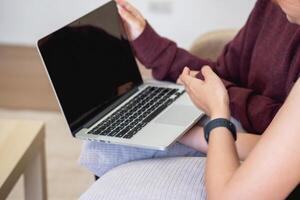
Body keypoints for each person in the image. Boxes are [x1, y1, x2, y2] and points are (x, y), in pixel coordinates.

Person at [79, 0, 300, 191]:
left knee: (108, 148)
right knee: (102, 140)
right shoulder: (272, 9)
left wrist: (216, 110)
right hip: (229, 120)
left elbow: (276, 128)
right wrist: (146, 39)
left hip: (245, 137)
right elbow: (222, 73)